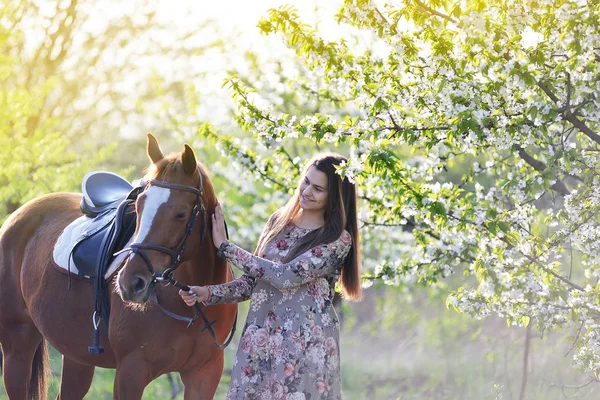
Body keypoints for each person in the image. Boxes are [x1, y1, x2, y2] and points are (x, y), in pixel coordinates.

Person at [179, 153, 362, 400]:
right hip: (260, 340)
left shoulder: (337, 240)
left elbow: (285, 276)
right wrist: (209, 292)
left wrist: (225, 247)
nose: (307, 191)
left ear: (336, 196)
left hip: (305, 347)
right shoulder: (278, 222)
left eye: (318, 189)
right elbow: (252, 283)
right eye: (306, 181)